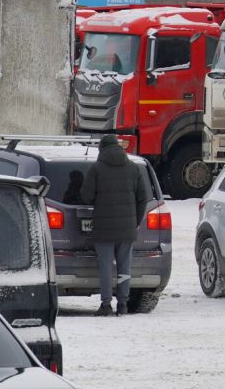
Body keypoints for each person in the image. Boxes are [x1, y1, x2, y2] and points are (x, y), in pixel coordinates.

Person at [81, 134, 148, 316]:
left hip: (103, 228)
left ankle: (106, 304)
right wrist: (135, 221)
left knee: (105, 267)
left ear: (102, 149)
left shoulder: (96, 169)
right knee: (124, 267)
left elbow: (86, 196)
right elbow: (143, 198)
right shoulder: (133, 169)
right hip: (127, 229)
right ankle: (123, 305)